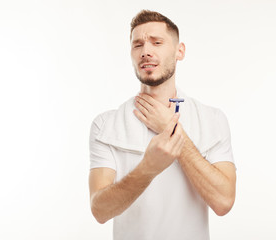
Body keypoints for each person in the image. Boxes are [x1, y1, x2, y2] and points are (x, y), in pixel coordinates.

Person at [89, 9, 236, 240]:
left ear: (180, 51)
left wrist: (172, 130)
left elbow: (224, 202)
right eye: (137, 45)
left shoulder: (212, 120)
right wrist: (148, 168)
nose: (146, 51)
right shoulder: (106, 125)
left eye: (157, 42)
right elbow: (99, 210)